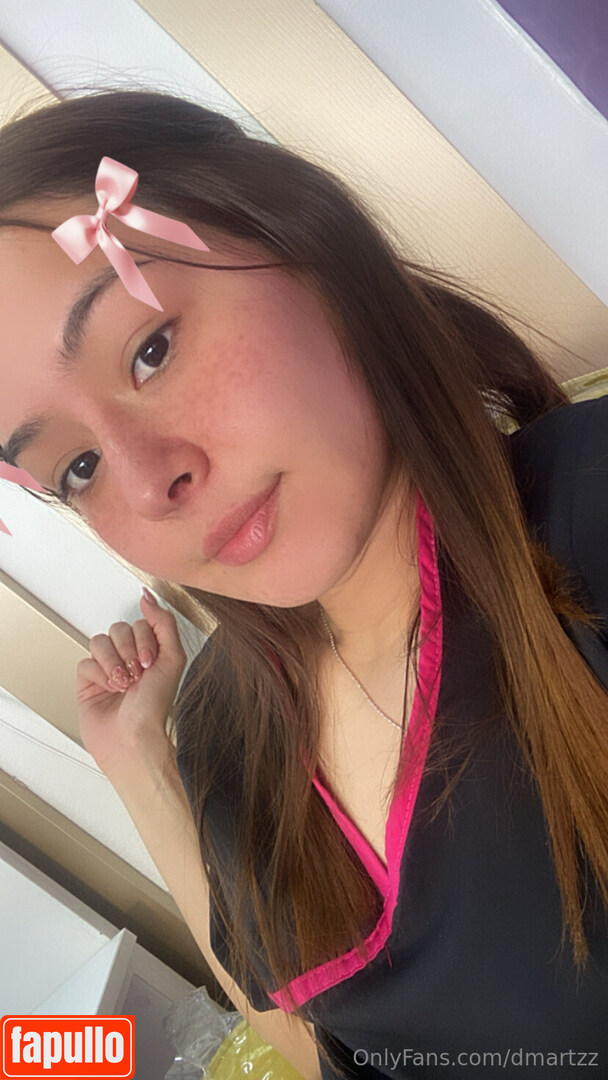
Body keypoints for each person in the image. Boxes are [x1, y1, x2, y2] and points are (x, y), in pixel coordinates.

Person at [0, 88, 607, 1080]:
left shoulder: (587, 512)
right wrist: (139, 767)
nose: (149, 483)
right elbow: (336, 1050)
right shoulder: (225, 734)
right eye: (78, 468)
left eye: (150, 350)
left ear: (300, 239)